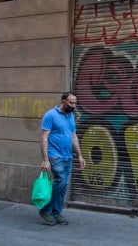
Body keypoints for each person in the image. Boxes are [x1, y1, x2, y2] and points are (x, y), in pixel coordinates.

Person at [39, 92, 86, 225]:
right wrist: (45, 159)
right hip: (55, 156)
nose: (74, 106)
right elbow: (44, 138)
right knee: (61, 181)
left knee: (63, 185)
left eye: (75, 103)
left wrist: (80, 155)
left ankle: (56, 212)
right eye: (71, 103)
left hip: (68, 156)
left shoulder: (71, 117)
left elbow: (74, 137)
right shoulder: (51, 115)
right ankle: (45, 210)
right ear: (63, 101)